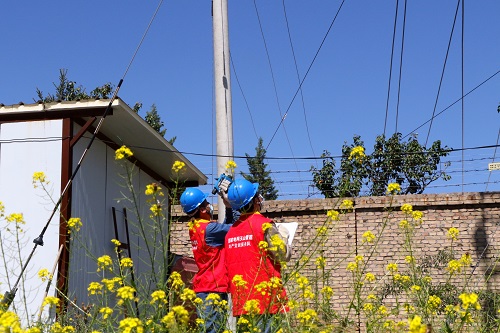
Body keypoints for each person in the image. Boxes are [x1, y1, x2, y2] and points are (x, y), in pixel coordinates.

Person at [224, 179, 292, 333]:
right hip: (266, 301)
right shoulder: (264, 225)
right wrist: (284, 236)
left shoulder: (230, 233)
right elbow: (283, 254)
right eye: (258, 196)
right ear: (255, 201)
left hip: (243, 303)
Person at [179, 187, 237, 333]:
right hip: (213, 286)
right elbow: (236, 228)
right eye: (206, 202)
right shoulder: (209, 229)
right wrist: (234, 204)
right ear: (202, 209)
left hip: (206, 286)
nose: (209, 205)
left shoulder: (195, 227)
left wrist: (228, 209)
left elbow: (222, 230)